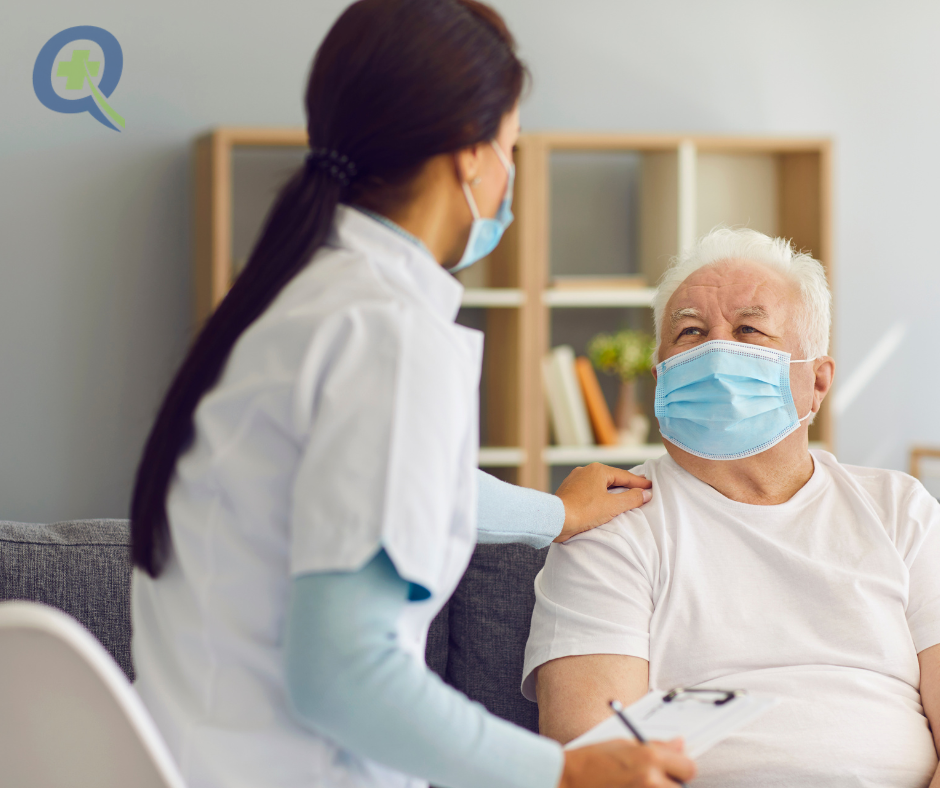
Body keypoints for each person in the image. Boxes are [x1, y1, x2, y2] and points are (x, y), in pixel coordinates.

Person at [128, 2, 697, 788]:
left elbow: (379, 483)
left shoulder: (293, 303)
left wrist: (554, 516)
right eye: (512, 147)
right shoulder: (389, 335)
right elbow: (344, 677)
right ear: (471, 157)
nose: (511, 175)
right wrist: (567, 773)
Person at [523, 227, 940, 788]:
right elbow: (597, 758)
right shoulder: (611, 521)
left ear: (816, 382)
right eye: (690, 331)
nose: (717, 352)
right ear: (659, 377)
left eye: (749, 329)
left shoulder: (900, 509)